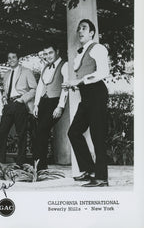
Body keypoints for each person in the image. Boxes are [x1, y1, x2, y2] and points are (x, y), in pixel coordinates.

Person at [64, 19, 110, 187]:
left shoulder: (98, 48)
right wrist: (73, 84)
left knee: (98, 136)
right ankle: (90, 170)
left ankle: (101, 178)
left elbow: (103, 72)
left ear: (92, 32)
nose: (80, 31)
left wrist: (79, 81)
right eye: (78, 29)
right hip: (86, 96)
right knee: (73, 132)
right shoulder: (80, 53)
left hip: (97, 93)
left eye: (84, 28)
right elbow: (83, 76)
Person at [0, 52, 37, 166]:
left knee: (21, 134)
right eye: (9, 58)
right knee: (2, 132)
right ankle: (0, 162)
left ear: (18, 59)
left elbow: (34, 89)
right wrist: (4, 99)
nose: (11, 60)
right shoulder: (7, 74)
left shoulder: (26, 71)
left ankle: (20, 162)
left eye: (13, 57)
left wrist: (22, 99)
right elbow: (5, 90)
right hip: (8, 105)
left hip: (20, 103)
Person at [32, 43, 68, 170]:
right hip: (43, 102)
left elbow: (66, 87)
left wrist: (60, 106)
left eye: (50, 53)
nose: (48, 56)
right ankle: (39, 165)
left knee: (42, 130)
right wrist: (36, 105)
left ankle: (40, 165)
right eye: (46, 54)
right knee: (39, 132)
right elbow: (40, 87)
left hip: (55, 102)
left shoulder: (65, 65)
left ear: (57, 51)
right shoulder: (44, 68)